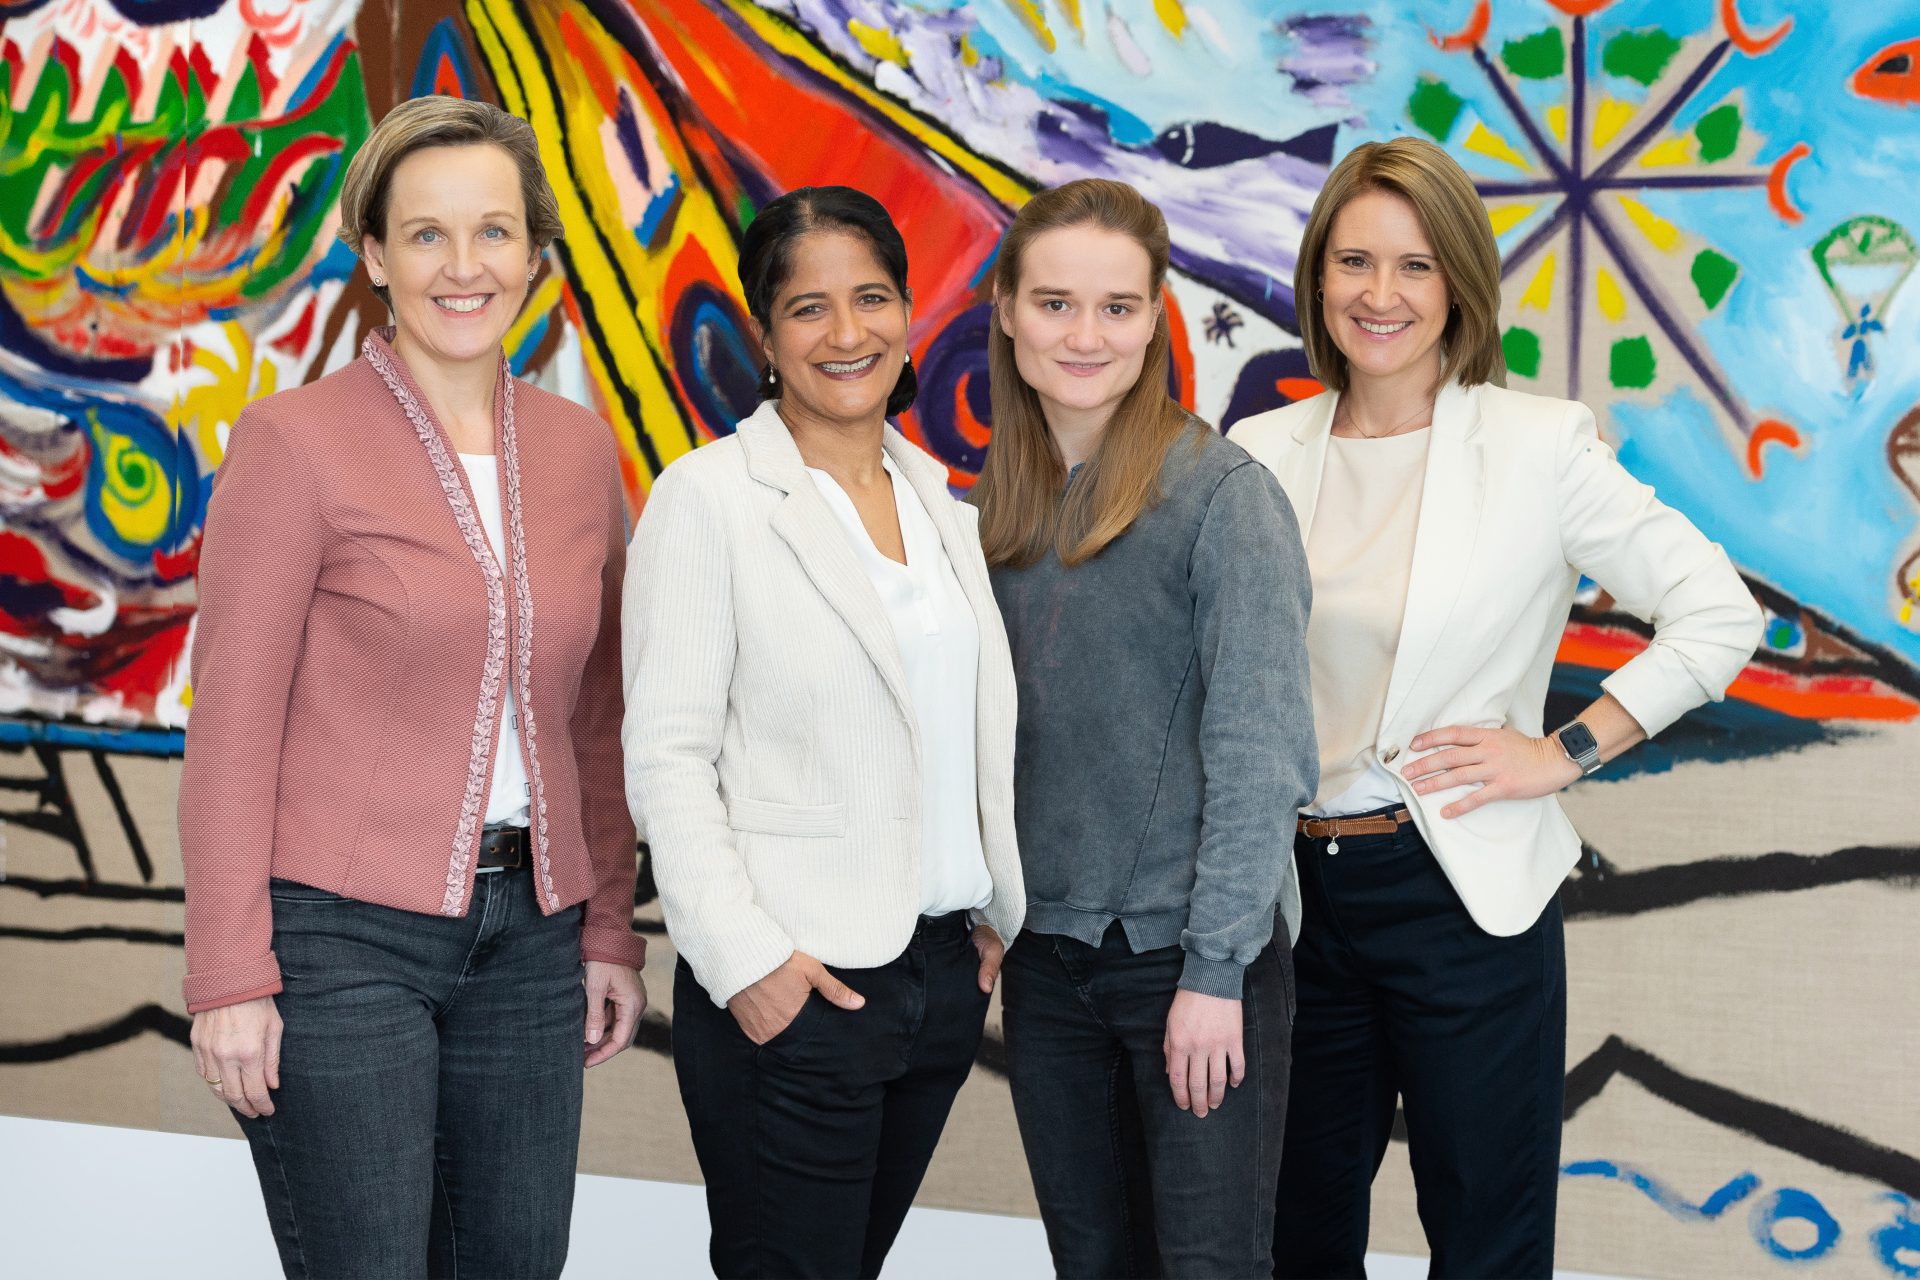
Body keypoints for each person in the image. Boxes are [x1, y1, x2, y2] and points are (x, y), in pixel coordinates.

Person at [1228, 136, 1764, 1278]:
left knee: (1487, 1244)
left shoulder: (1538, 446)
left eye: (1416, 266)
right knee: (1290, 1239)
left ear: (1461, 282)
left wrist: (1563, 751)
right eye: (1356, 261)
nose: (1382, 295)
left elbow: (1720, 611)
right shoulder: (1255, 454)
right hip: (1292, 903)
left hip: (1463, 896)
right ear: (1319, 275)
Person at [178, 96, 647, 1279]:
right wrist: (229, 973)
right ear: (377, 255)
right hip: (341, 940)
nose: (463, 265)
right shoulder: (295, 441)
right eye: (426, 234)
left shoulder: (583, 451)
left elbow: (598, 715)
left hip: (533, 940)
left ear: (536, 255)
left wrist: (606, 926)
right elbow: (231, 722)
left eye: (494, 231)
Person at [621, 185, 1026, 1280]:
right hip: (793, 981)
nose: (847, 333)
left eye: (872, 297)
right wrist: (748, 961)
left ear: (909, 312)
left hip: (937, 977)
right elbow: (665, 755)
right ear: (764, 333)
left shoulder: (946, 504)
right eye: (808, 308)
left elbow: (958, 728)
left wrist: (988, 906)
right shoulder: (708, 500)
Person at [972, 177, 1317, 1279]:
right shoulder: (998, 503)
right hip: (1048, 964)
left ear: (1157, 318)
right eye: (1057, 303)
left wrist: (1216, 972)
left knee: (1209, 1266)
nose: (1086, 333)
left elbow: (1261, 758)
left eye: (1118, 307)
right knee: (1093, 1263)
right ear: (1009, 312)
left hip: (1189, 961)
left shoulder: (1223, 496)